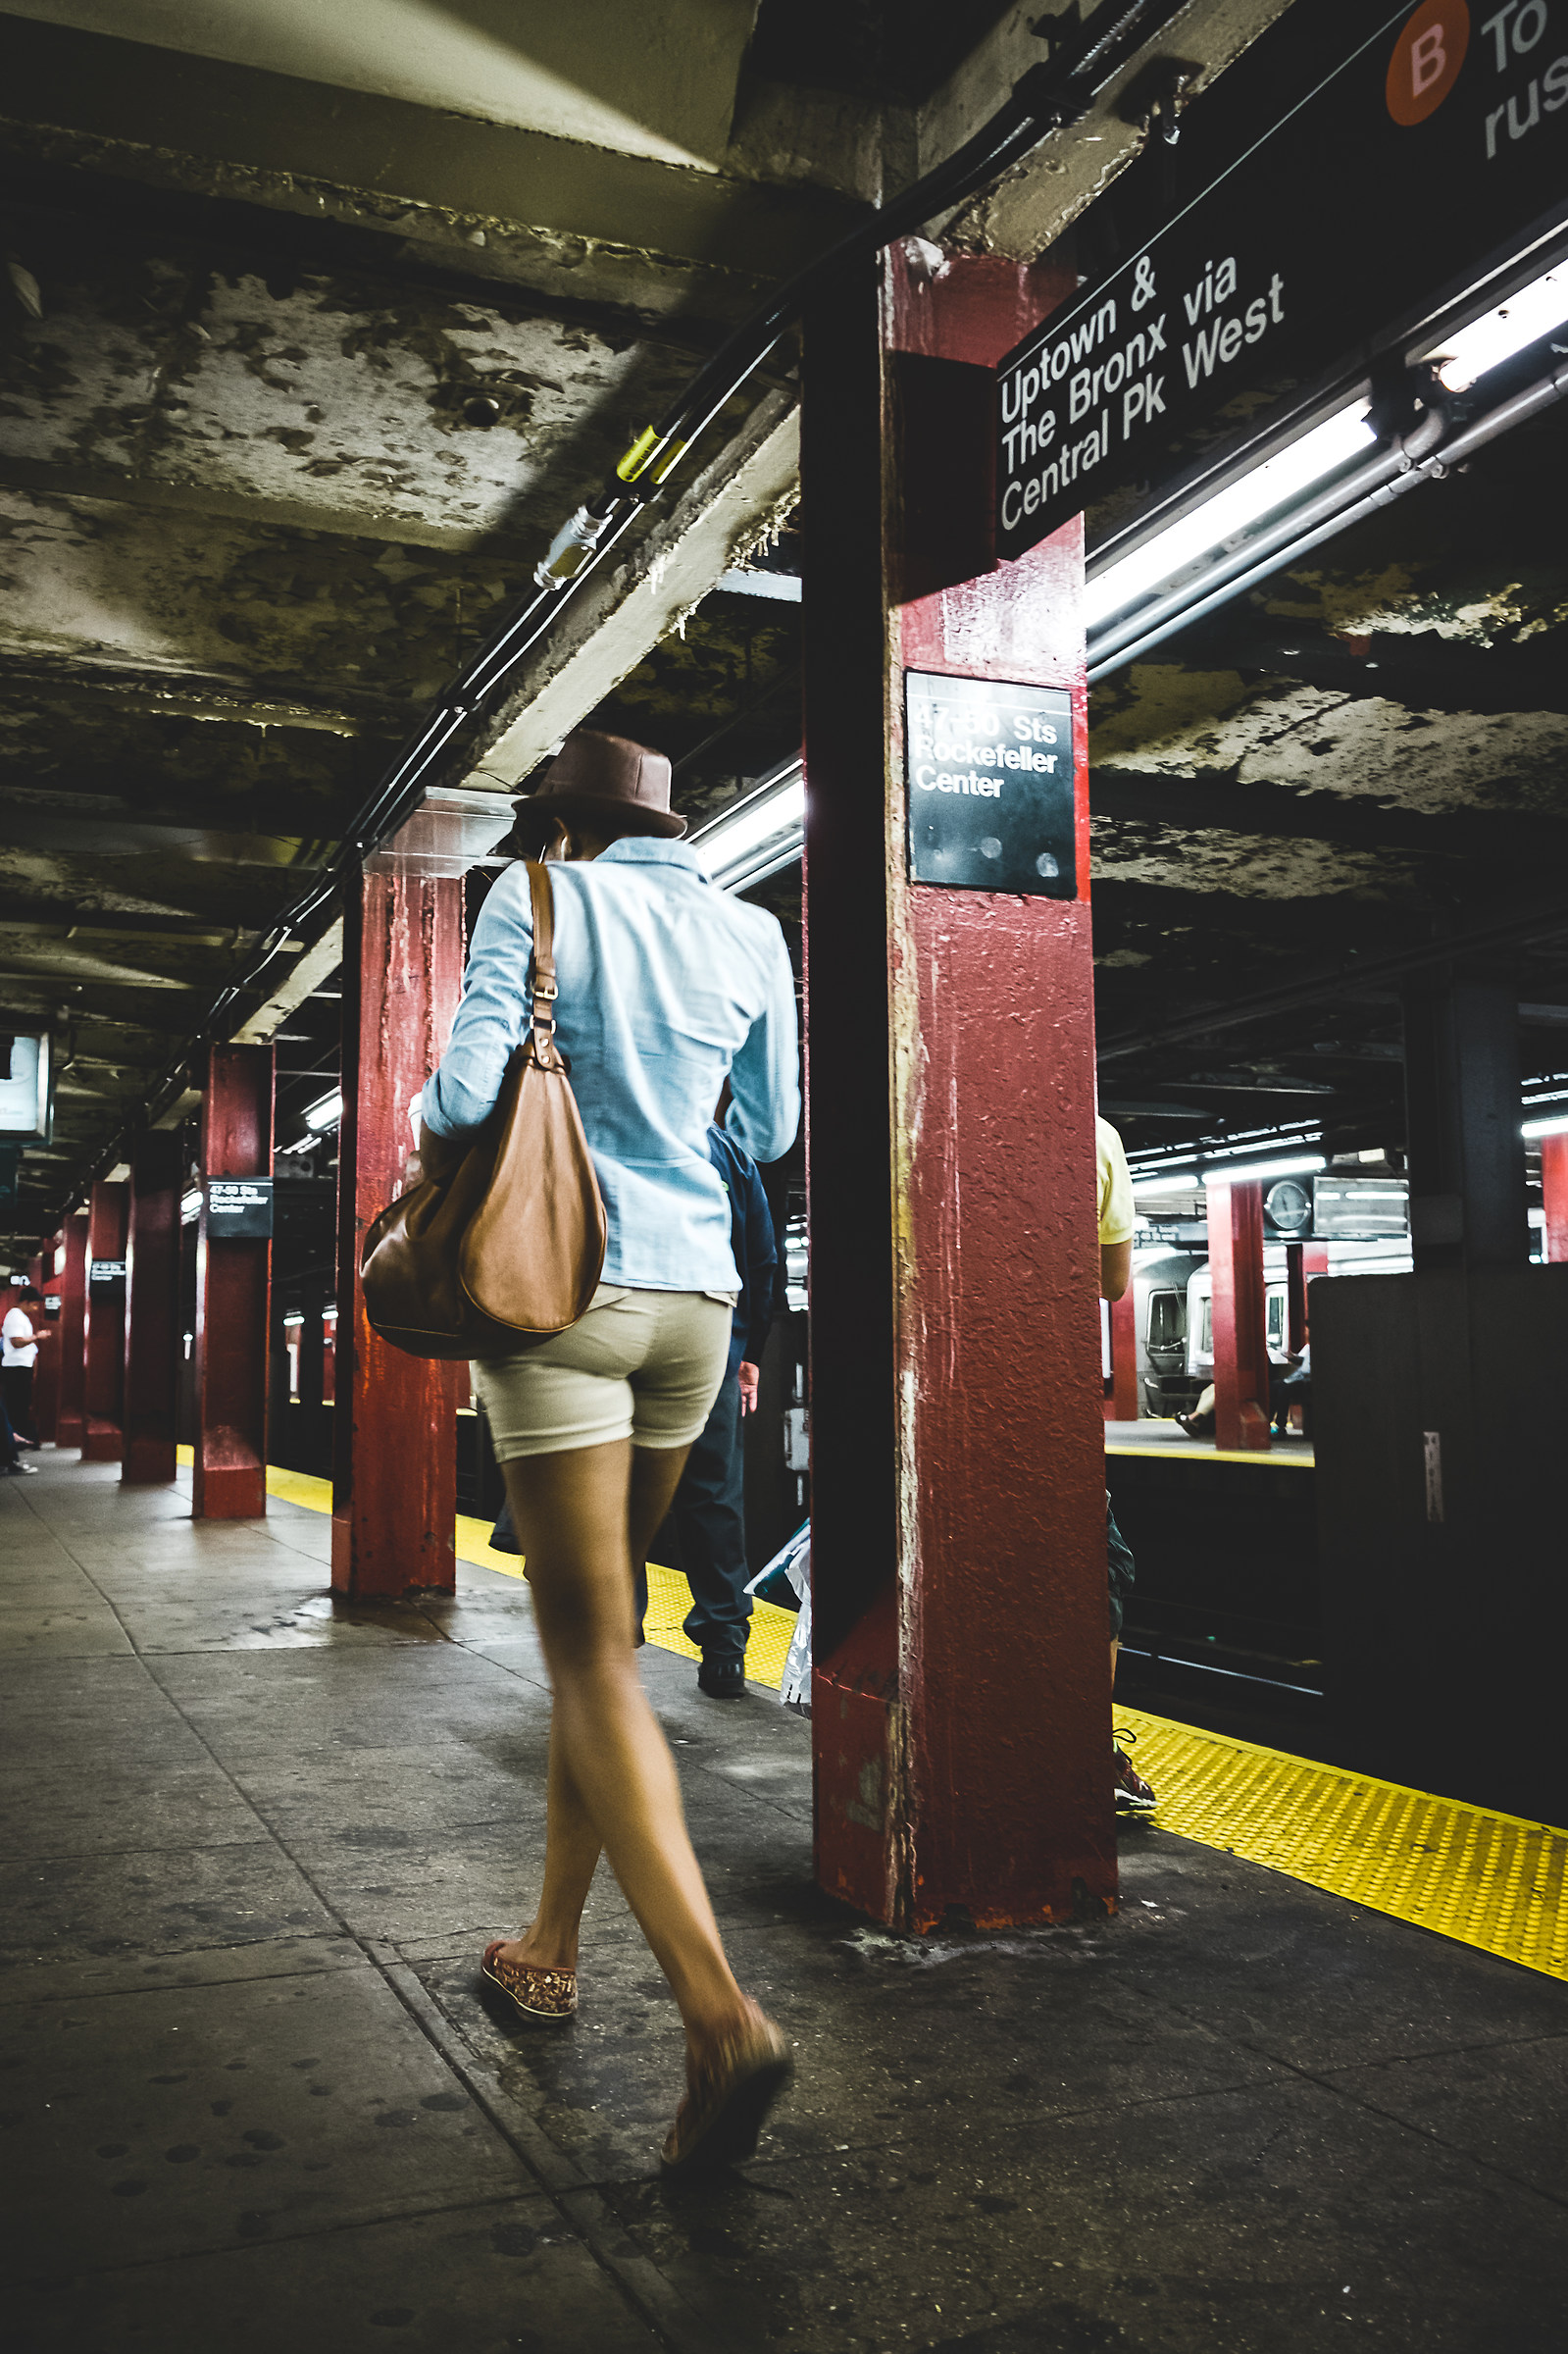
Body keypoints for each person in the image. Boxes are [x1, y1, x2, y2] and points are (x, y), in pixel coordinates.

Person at [417, 730, 799, 2176]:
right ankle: (548, 1947)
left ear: (565, 827)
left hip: (560, 1292)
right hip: (695, 1305)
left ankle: (718, 2017)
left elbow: (460, 1102)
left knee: (583, 1652)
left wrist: (416, 1130)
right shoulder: (751, 927)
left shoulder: (536, 896)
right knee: (616, 1633)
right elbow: (764, 1131)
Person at [668, 1123, 779, 1699]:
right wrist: (748, 1351)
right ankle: (724, 1648)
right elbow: (761, 1261)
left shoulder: (589, 1115)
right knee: (711, 1492)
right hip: (709, 1338)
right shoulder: (727, 1149)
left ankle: (609, 1639)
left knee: (607, 1490)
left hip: (606, 1324)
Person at [1097, 1117, 1157, 1817]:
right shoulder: (1094, 1132)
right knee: (1097, 1570)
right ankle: (1088, 1752)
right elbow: (1113, 1280)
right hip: (1042, 1394)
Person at [1, 1286, 50, 1445]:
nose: (36, 1309)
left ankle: (19, 1439)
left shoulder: (20, 1316)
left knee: (21, 1404)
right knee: (17, 1405)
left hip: (21, 1368)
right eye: (34, 1304)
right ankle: (16, 1439)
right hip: (15, 1368)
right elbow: (16, 1341)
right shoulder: (15, 1316)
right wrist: (37, 1336)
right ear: (26, 1302)